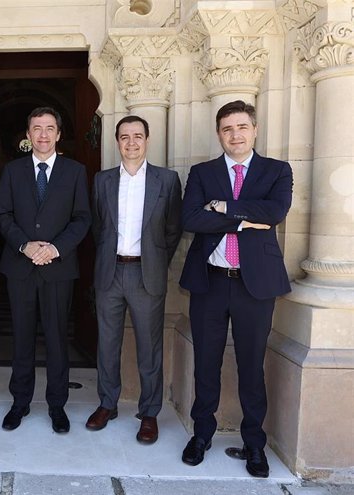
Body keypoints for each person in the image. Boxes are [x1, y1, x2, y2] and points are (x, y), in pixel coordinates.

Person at [179, 100, 293, 477]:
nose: (235, 135)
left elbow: (275, 212)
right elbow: (191, 218)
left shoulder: (277, 170)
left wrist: (224, 208)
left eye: (242, 127)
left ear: (254, 129)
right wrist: (247, 219)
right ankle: (202, 434)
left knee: (251, 366)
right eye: (227, 129)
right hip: (210, 282)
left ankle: (254, 444)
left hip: (254, 286)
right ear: (219, 134)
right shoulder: (202, 172)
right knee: (206, 364)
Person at [87, 116, 182, 443]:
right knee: (107, 343)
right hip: (110, 272)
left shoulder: (167, 181)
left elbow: (172, 231)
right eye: (125, 136)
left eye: (138, 136)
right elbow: (99, 228)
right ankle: (107, 404)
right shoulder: (102, 180)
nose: (131, 142)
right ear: (117, 141)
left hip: (147, 274)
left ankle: (149, 412)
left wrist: (155, 263)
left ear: (147, 139)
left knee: (149, 348)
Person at [0, 106, 91, 433]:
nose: (43, 134)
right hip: (20, 267)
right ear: (28, 134)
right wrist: (25, 245)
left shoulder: (75, 171)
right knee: (21, 339)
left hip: (57, 268)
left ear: (59, 134)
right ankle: (19, 402)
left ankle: (57, 405)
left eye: (50, 128)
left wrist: (54, 248)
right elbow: (3, 216)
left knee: (56, 340)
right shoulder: (11, 171)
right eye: (37, 128)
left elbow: (82, 218)